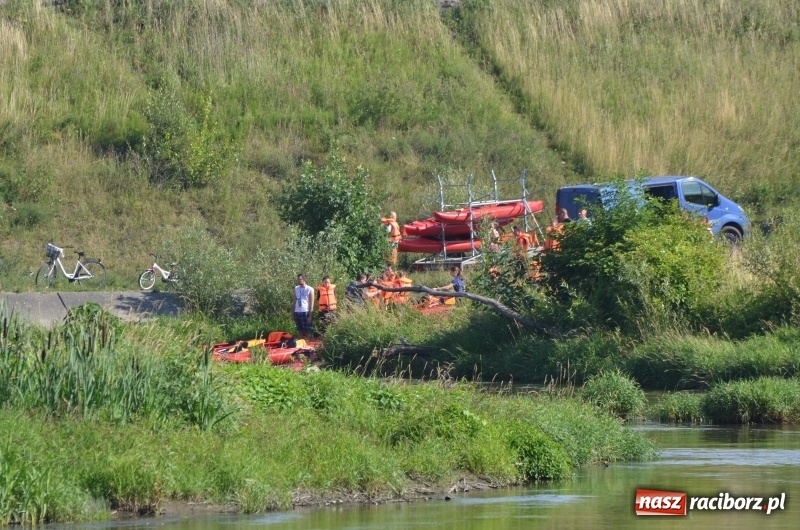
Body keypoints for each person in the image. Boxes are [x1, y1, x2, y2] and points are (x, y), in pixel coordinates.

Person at [292, 274, 315, 339]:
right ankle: (300, 344)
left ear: (304, 279)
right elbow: (294, 301)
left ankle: (308, 343)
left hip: (305, 311)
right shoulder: (296, 288)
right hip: (297, 312)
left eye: (300, 279)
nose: (298, 280)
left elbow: (312, 303)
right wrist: (292, 313)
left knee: (307, 331)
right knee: (299, 331)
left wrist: (310, 316)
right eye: (298, 279)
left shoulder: (310, 289)